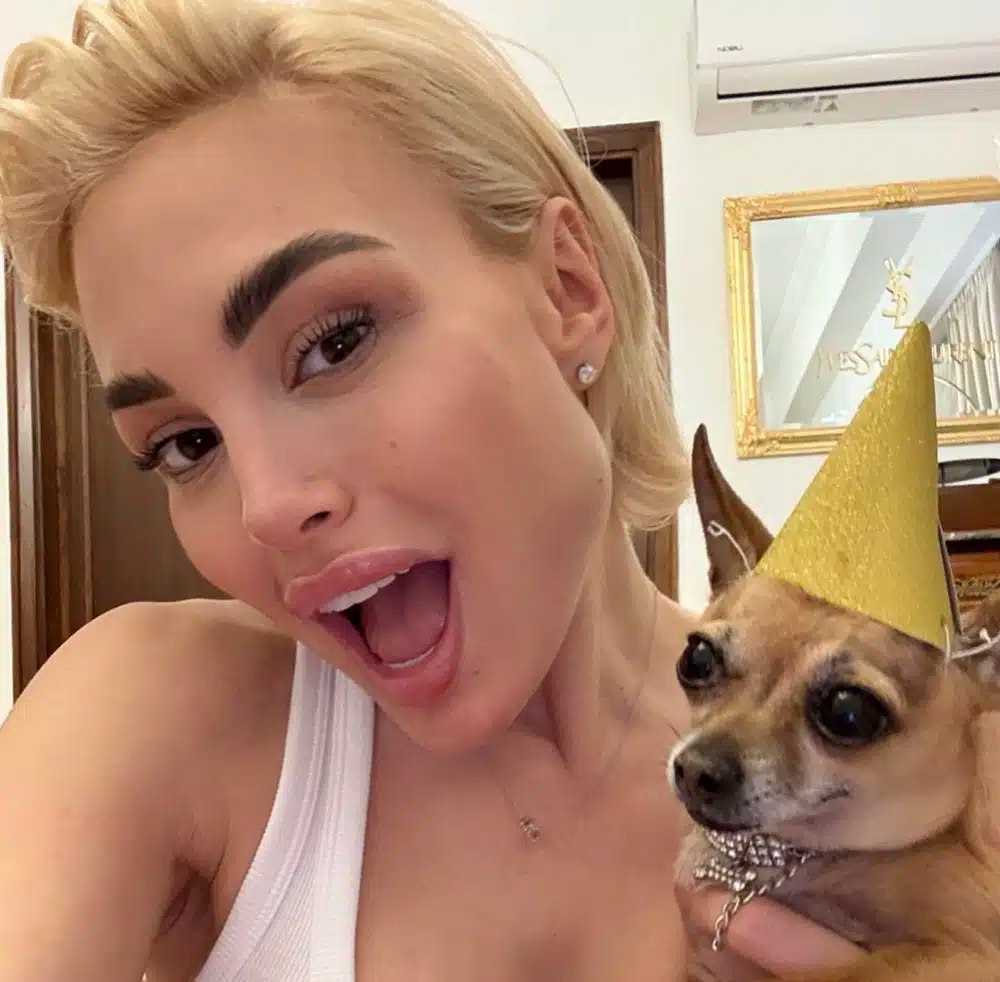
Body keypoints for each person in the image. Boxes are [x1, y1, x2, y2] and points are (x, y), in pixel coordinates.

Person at [0, 0, 864, 979]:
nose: (265, 506)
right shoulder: (152, 719)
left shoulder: (876, 756)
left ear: (567, 289)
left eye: (334, 344)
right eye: (187, 443)